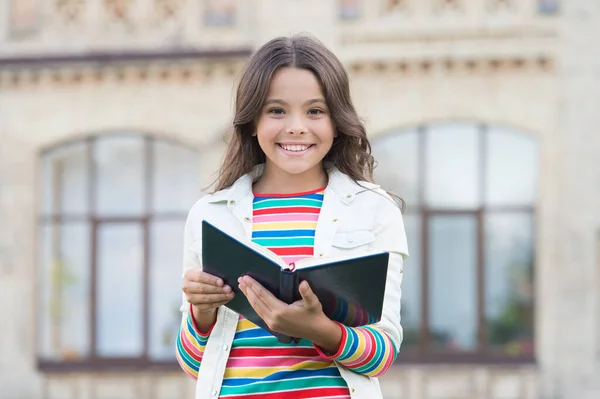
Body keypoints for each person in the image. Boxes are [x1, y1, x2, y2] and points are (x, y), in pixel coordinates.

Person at [176, 34, 409, 399]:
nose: (297, 126)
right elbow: (194, 364)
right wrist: (200, 313)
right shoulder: (211, 216)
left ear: (337, 121)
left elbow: (382, 354)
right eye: (277, 110)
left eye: (315, 111)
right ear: (252, 121)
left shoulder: (374, 210)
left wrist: (321, 329)